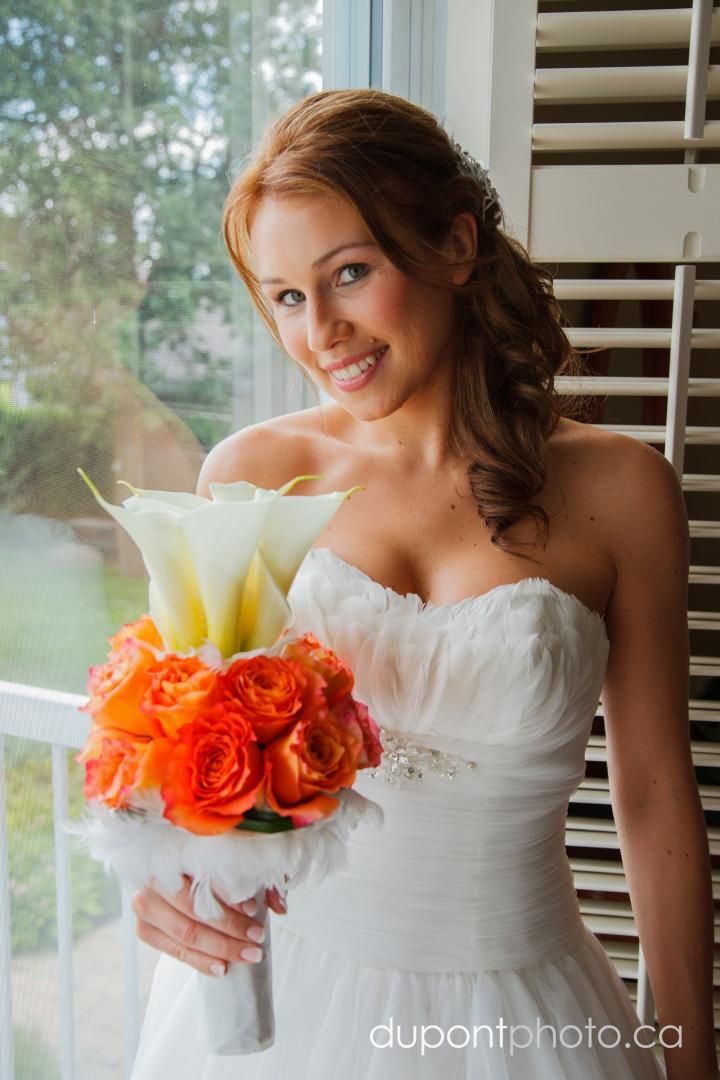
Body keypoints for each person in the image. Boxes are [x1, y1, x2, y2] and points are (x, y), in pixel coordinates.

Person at [129, 88, 715, 1079]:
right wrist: (160, 880)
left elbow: (654, 794)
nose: (320, 333)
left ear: (452, 245)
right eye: (283, 296)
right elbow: (185, 754)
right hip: (281, 1008)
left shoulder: (624, 493)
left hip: (524, 1010)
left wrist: (696, 1056)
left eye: (348, 273)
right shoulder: (250, 476)